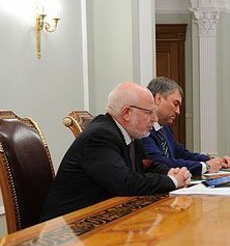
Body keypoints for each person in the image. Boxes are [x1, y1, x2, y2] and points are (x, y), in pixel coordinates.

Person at [40, 82, 191, 221]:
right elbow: (125, 183)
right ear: (126, 113)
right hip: (69, 226)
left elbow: (147, 165)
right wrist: (172, 181)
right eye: (149, 112)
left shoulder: (131, 132)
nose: (154, 118)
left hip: (101, 216)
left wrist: (170, 172)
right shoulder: (100, 136)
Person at [143, 77, 230, 176]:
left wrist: (214, 160)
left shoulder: (165, 128)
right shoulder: (143, 129)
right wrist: (205, 166)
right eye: (175, 104)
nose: (178, 111)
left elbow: (182, 153)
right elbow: (161, 163)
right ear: (159, 99)